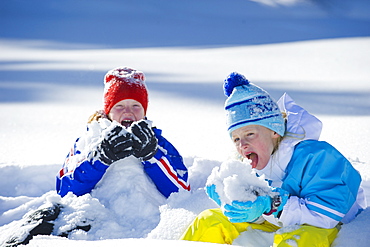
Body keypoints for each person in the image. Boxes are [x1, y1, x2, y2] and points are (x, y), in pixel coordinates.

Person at [2, 66, 190, 246]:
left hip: (147, 225)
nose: (128, 111)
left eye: (136, 105)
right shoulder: (90, 139)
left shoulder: (158, 143)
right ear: (107, 110)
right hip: (95, 224)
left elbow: (182, 190)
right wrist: (99, 159)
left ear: (145, 110)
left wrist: (152, 156)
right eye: (119, 105)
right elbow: (65, 190)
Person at [180, 72, 366, 246]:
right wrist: (236, 204)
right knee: (210, 221)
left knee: (296, 240)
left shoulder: (316, 157)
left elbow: (328, 214)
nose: (242, 144)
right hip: (278, 225)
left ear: (274, 131)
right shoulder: (247, 164)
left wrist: (273, 205)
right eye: (236, 138)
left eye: (250, 134)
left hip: (327, 226)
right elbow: (262, 214)